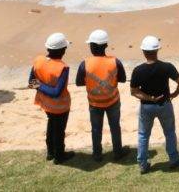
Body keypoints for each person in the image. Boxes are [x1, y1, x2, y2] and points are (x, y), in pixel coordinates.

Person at [130, 35, 179, 174]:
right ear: (157, 51)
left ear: (143, 51)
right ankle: (173, 158)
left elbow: (134, 92)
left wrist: (149, 98)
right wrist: (174, 94)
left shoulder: (138, 70)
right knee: (169, 132)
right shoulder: (167, 67)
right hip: (165, 105)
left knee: (143, 135)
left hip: (146, 107)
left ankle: (142, 164)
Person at [75, 29, 128, 161]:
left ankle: (97, 154)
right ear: (105, 45)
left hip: (94, 103)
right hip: (113, 101)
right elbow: (122, 79)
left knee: (96, 128)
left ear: (92, 46)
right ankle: (118, 152)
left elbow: (78, 83)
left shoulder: (85, 64)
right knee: (115, 126)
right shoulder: (115, 61)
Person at [29, 32, 74, 164]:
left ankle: (50, 152)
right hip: (60, 107)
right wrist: (43, 86)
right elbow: (56, 92)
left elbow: (31, 82)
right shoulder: (63, 68)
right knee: (59, 131)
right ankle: (59, 156)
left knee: (51, 125)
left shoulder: (38, 60)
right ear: (63, 50)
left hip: (45, 104)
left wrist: (39, 86)